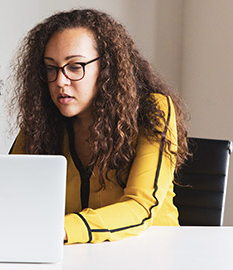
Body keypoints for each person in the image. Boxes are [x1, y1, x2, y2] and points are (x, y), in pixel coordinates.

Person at [10, 9, 189, 244]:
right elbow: (10, 190)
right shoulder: (42, 119)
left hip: (151, 252)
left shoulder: (152, 111)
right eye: (51, 68)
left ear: (107, 68)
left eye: (75, 66)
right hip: (71, 254)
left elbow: (141, 207)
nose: (60, 81)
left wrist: (60, 229)